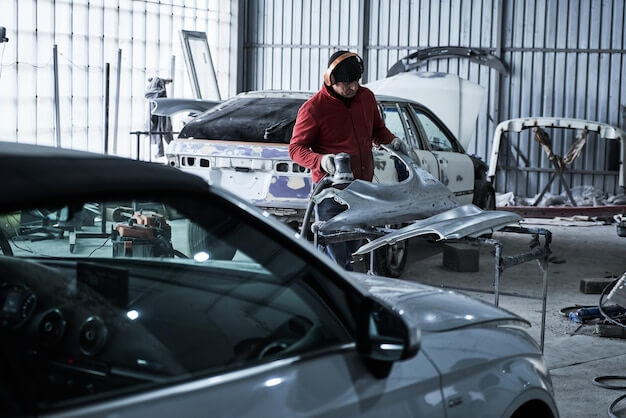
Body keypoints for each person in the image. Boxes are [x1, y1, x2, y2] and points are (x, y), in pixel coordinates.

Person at [288, 50, 404, 270]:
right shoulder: (314, 109)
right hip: (332, 195)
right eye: (347, 83)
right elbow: (295, 149)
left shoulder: (366, 98)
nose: (353, 88)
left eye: (356, 82)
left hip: (362, 191)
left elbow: (378, 130)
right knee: (336, 262)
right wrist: (321, 161)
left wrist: (392, 141)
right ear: (331, 80)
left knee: (352, 252)